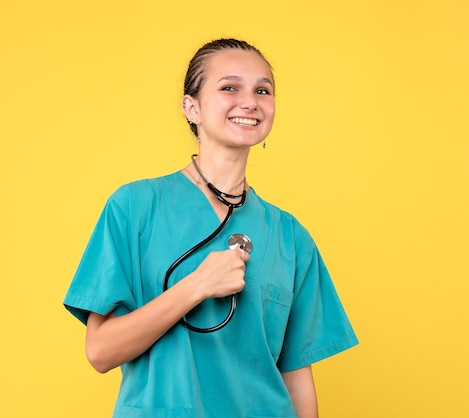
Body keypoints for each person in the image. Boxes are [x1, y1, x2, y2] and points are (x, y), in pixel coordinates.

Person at [63, 38, 358, 418]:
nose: (249, 101)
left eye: (262, 90)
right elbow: (100, 352)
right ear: (192, 107)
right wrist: (197, 285)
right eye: (229, 87)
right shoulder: (135, 207)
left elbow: (296, 374)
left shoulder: (290, 236)